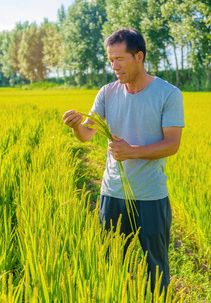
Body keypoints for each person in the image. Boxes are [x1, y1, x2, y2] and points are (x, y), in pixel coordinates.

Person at [63, 28, 184, 297]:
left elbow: (172, 144)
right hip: (112, 193)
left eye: (119, 59)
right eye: (110, 60)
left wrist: (132, 152)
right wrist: (74, 126)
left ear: (138, 56)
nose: (114, 66)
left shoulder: (169, 94)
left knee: (156, 268)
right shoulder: (107, 93)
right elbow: (86, 133)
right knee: (114, 265)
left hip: (151, 196)